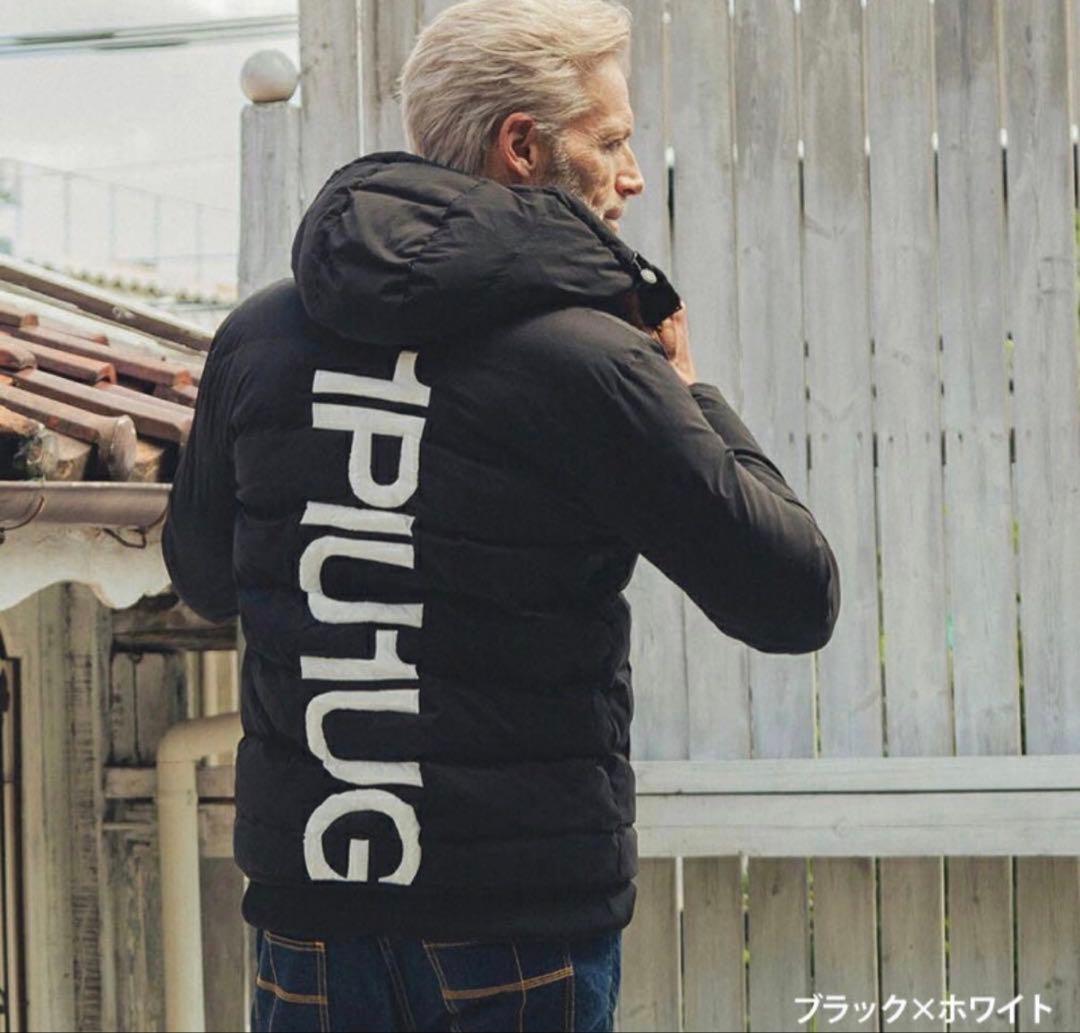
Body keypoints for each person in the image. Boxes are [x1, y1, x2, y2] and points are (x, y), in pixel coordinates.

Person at [163, 0, 841, 1029]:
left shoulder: (259, 337)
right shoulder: (592, 360)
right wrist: (691, 391)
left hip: (311, 927)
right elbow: (793, 599)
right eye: (611, 140)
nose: (632, 175)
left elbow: (205, 580)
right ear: (523, 147)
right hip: (514, 936)